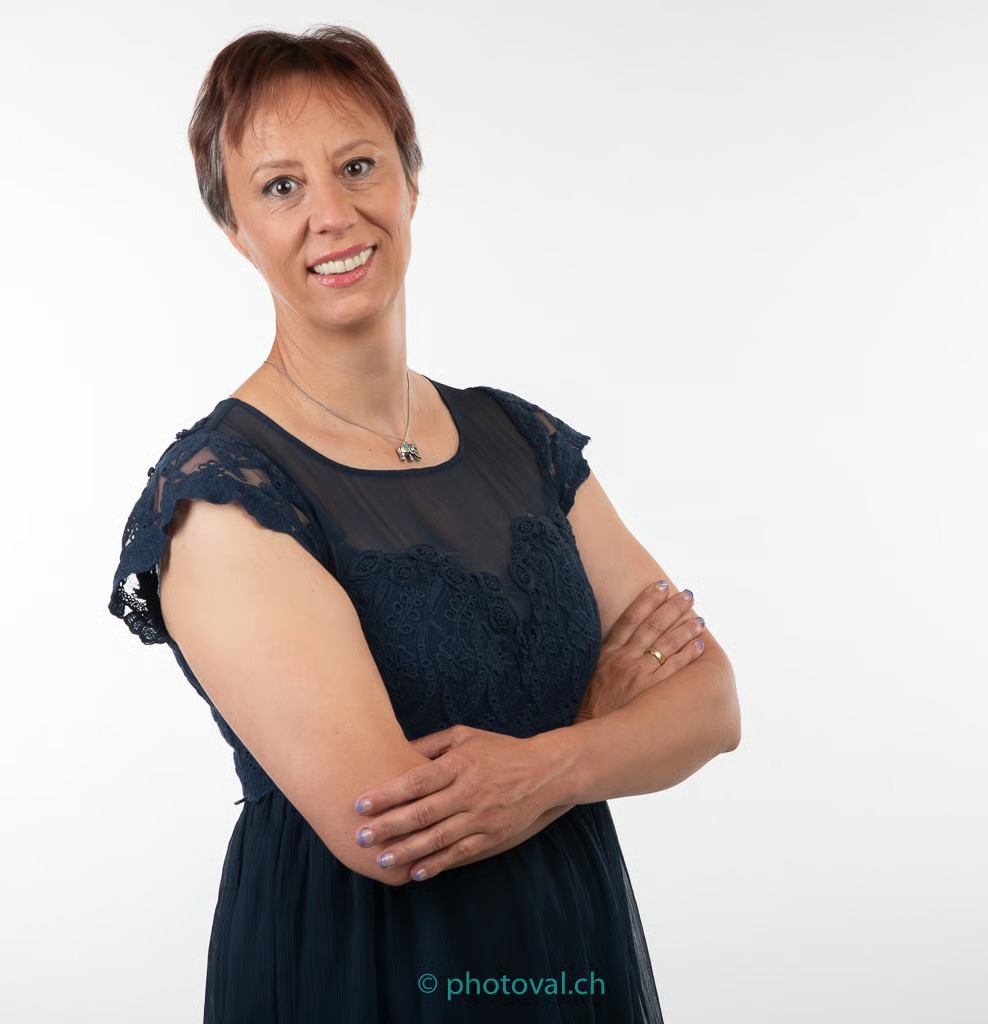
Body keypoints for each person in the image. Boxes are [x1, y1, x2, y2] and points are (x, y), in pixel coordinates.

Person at [108, 25, 740, 1023]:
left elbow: (711, 705)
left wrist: (545, 764)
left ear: (409, 180)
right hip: (364, 972)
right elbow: (387, 831)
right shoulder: (222, 493)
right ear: (235, 228)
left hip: (569, 946)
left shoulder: (518, 437)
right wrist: (601, 720)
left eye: (358, 166)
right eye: (281, 186)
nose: (332, 214)